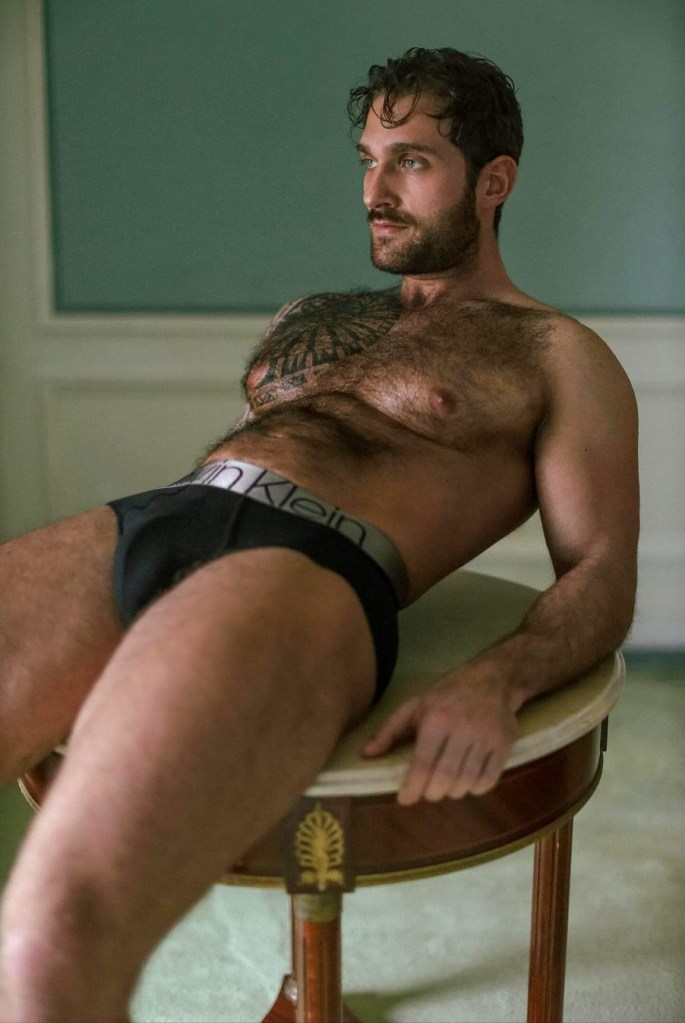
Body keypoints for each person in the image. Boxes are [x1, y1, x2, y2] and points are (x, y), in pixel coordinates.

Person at [0, 47, 638, 1023]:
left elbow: (600, 569)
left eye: (411, 162)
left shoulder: (556, 351)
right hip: (162, 515)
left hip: (303, 564)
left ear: (493, 181)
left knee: (52, 942)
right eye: (367, 160)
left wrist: (496, 679)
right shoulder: (314, 318)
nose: (375, 192)